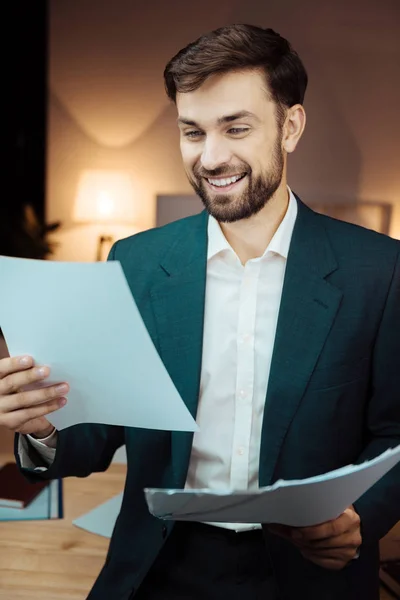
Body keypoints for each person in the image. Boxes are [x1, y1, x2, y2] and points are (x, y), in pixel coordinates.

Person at [0, 24, 399, 600]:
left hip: (310, 575)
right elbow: (98, 428)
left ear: (291, 126)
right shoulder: (135, 261)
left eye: (236, 127)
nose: (211, 157)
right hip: (159, 566)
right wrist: (41, 426)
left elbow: (394, 433)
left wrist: (359, 517)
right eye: (193, 132)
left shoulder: (381, 271)